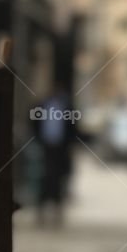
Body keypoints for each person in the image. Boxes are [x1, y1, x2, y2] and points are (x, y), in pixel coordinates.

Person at [35, 88, 74, 226]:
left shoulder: (67, 109)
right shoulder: (40, 107)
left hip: (60, 149)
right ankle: (41, 212)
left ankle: (57, 211)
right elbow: (34, 125)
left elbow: (72, 128)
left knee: (58, 179)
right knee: (44, 178)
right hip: (45, 148)